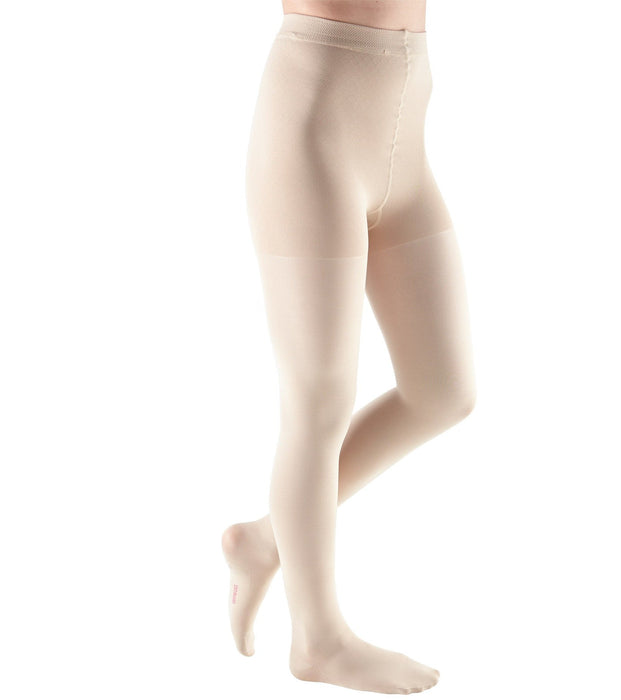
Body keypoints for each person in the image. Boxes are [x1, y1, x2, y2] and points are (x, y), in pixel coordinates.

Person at [221, 0, 477, 693]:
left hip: (405, 131)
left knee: (444, 391)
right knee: (319, 401)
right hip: (314, 131)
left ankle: (267, 538)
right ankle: (319, 640)